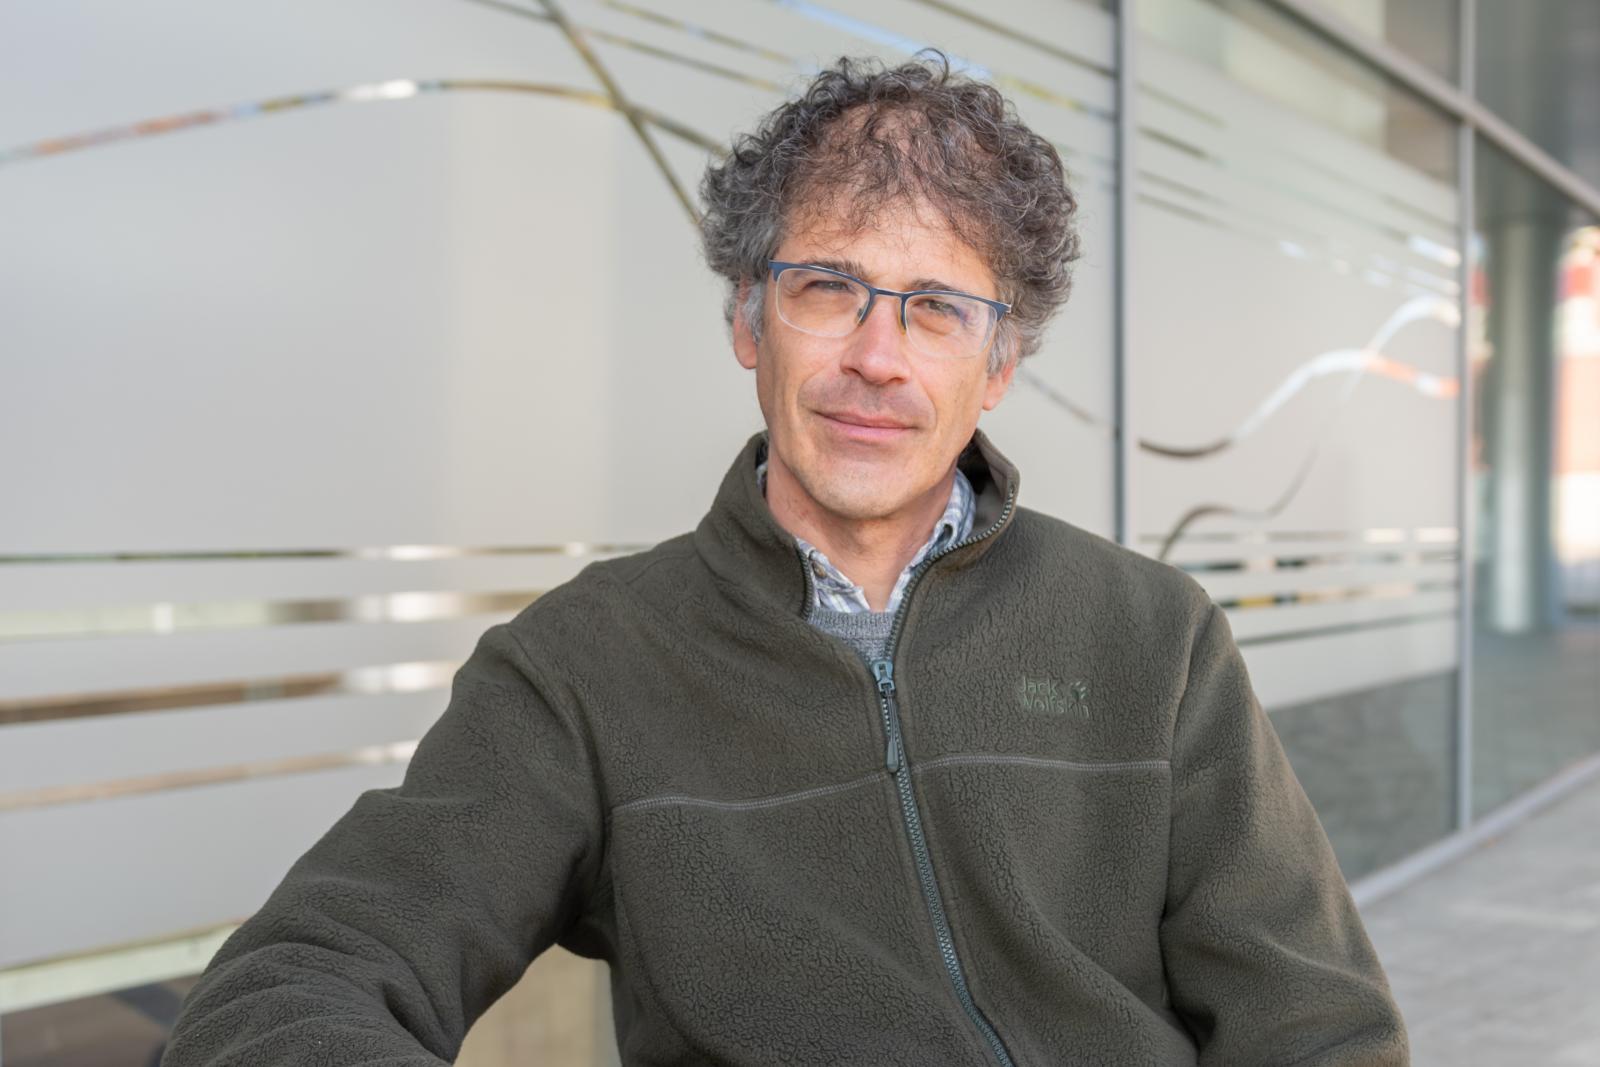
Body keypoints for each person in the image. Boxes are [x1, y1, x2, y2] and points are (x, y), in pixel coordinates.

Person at [162, 51, 1408, 1066]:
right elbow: (292, 984)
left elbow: (1321, 1028)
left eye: (936, 308)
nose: (877, 356)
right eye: (827, 287)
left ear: (998, 365)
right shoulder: (583, 663)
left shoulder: (1152, 631)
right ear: (747, 321)